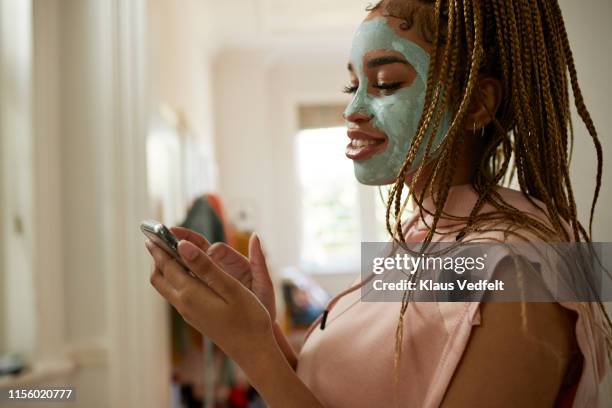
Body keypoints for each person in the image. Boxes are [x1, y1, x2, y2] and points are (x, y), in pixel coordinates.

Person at [145, 0, 610, 406]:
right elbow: (340, 392)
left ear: (477, 104)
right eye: (354, 86)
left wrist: (252, 350)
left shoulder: (517, 273)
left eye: (386, 83)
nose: (352, 110)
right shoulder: (419, 236)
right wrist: (262, 329)